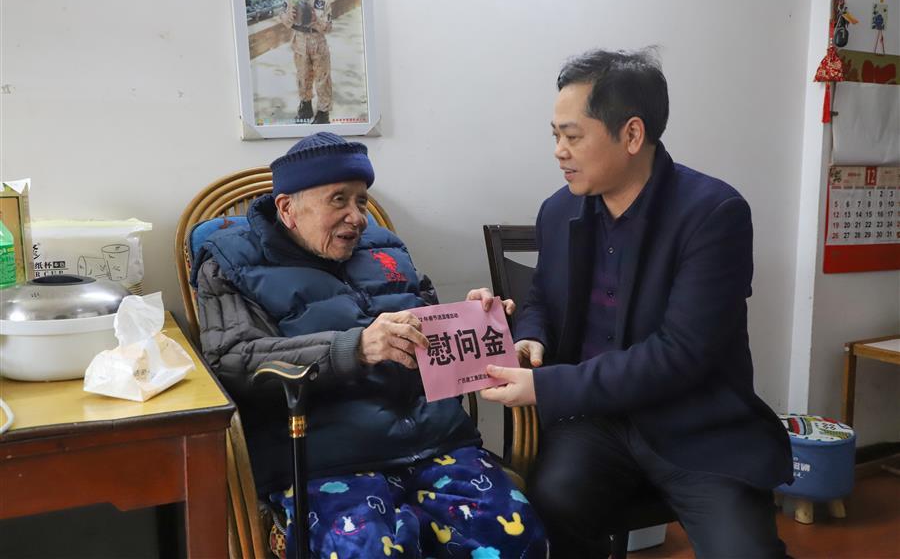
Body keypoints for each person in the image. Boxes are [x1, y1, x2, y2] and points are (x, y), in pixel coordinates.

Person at [481, 48, 792, 558]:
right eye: (555, 136)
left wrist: (545, 385)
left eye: (573, 136)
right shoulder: (558, 211)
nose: (559, 151)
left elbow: (681, 353)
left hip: (696, 425)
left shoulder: (714, 213)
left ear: (631, 135)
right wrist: (530, 335)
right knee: (549, 506)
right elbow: (541, 299)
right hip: (594, 424)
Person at [192, 132, 546, 559]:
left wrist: (478, 324)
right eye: (338, 200)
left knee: (516, 539)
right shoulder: (230, 262)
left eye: (361, 200)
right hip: (324, 461)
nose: (357, 217)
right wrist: (355, 348)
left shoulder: (387, 249)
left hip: (434, 442)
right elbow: (233, 362)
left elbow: (429, 339)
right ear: (287, 208)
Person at [279, 0, 332, 124]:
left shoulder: (323, 1)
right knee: (303, 76)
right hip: (300, 43)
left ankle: (323, 112)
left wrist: (316, 20)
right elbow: (283, 17)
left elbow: (328, 27)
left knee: (322, 77)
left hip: (318, 44)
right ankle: (306, 105)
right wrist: (289, 17)